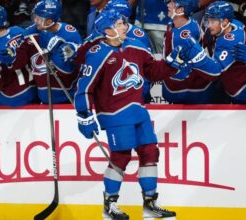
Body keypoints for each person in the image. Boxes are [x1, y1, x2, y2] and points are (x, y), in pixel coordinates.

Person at [74, 9, 180, 220]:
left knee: (150, 152)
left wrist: (171, 64)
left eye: (123, 22)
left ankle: (150, 204)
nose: (125, 26)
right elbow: (84, 87)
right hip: (114, 114)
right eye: (120, 23)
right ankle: (110, 205)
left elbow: (153, 71)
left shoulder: (135, 46)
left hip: (138, 110)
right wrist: (84, 113)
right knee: (121, 157)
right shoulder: (97, 54)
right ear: (107, 30)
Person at [198, 1, 246, 104]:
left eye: (213, 21)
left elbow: (214, 72)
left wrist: (195, 57)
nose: (209, 25)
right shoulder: (235, 24)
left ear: (225, 22)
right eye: (209, 21)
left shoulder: (230, 41)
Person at [25, 0, 82, 104]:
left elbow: (74, 67)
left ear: (49, 21)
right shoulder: (34, 30)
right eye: (35, 17)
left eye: (39, 18)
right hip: (44, 97)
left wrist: (59, 49)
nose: (35, 21)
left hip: (69, 98)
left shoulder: (70, 34)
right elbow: (19, 40)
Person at [162, 0, 216, 104]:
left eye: (173, 3)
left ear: (181, 10)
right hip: (187, 86)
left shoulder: (185, 36)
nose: (168, 5)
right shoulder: (181, 23)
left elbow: (182, 70)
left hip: (188, 90)